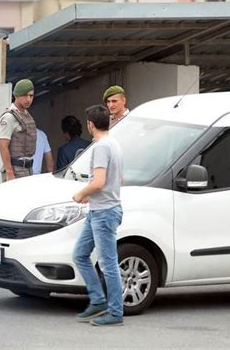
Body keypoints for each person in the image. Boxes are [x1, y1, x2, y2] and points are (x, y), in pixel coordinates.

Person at [72, 105, 124, 326]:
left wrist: (81, 193)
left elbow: (100, 181)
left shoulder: (101, 147)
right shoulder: (114, 144)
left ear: (90, 125)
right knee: (80, 254)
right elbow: (117, 179)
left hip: (103, 213)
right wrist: (91, 196)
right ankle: (98, 300)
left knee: (108, 264)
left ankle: (115, 312)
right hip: (101, 209)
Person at [0, 79, 37, 181]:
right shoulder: (9, 117)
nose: (28, 99)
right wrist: (10, 173)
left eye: (31, 95)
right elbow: (3, 146)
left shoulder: (27, 115)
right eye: (25, 95)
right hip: (15, 170)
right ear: (16, 95)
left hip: (28, 169)